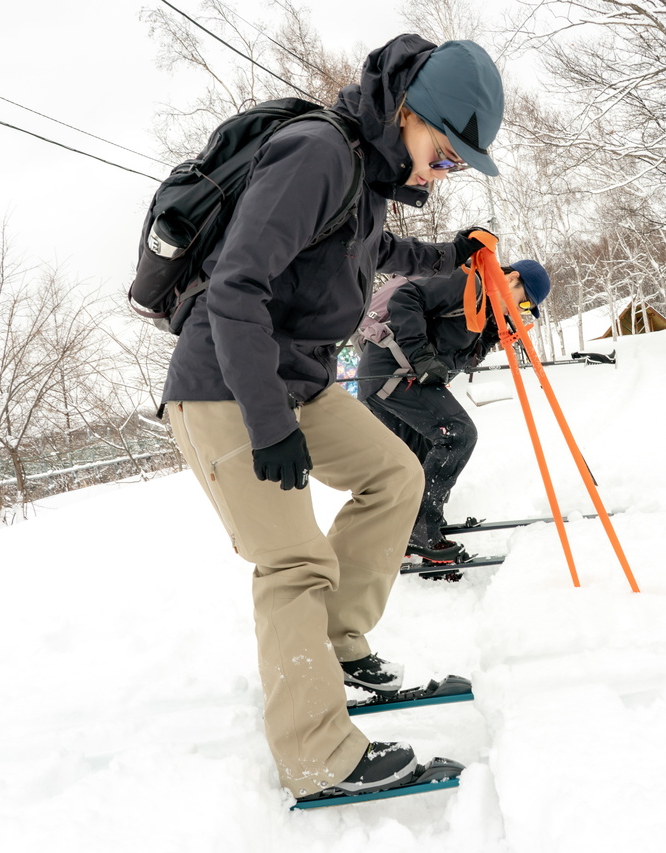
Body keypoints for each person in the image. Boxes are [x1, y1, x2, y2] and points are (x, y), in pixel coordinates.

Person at [159, 34, 504, 803]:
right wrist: (267, 423)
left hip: (296, 382)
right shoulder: (318, 154)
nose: (442, 172)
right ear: (410, 112)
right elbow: (235, 287)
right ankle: (317, 754)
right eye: (447, 154)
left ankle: (338, 645)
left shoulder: (364, 177)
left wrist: (452, 252)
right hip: (226, 387)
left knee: (395, 476)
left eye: (455, 166)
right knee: (293, 561)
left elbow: (379, 253)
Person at [357, 259, 551, 563]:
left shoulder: (482, 311)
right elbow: (406, 298)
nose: (520, 309)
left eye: (526, 310)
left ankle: (421, 539)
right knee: (458, 434)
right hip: (392, 370)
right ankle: (422, 529)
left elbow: (454, 362)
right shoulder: (469, 281)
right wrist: (421, 356)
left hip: (390, 378)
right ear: (512, 278)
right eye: (524, 301)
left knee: (418, 460)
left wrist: (490, 336)